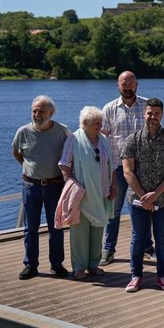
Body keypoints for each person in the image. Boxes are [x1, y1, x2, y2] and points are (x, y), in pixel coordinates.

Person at [121, 98, 164, 293]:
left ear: (162, 115)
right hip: (137, 200)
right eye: (150, 113)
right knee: (138, 237)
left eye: (156, 114)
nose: (153, 117)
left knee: (162, 238)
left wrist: (156, 194)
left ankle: (162, 276)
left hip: (163, 199)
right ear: (144, 114)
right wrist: (143, 196)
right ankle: (136, 276)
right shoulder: (132, 140)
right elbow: (127, 172)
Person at [12, 95, 71, 280]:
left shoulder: (63, 131)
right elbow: (16, 152)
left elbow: (70, 154)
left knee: (56, 228)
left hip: (55, 186)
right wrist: (30, 169)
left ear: (51, 113)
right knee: (31, 228)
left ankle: (56, 265)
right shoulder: (23, 131)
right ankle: (30, 266)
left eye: (41, 111)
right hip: (31, 187)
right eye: (34, 111)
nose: (36, 114)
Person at [59, 106, 116, 280]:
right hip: (82, 194)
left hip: (102, 193)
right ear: (84, 123)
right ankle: (78, 267)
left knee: (98, 229)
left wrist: (114, 185)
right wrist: (71, 184)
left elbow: (112, 165)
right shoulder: (73, 139)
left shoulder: (104, 140)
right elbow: (64, 165)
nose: (99, 126)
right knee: (80, 233)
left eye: (100, 122)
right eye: (95, 123)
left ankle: (93, 265)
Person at [100, 71, 151, 266]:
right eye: (124, 84)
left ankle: (147, 247)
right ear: (118, 85)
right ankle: (108, 249)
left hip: (142, 168)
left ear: (137, 85)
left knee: (145, 208)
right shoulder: (109, 109)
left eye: (131, 83)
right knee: (113, 211)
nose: (127, 87)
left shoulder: (147, 106)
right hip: (118, 169)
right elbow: (102, 140)